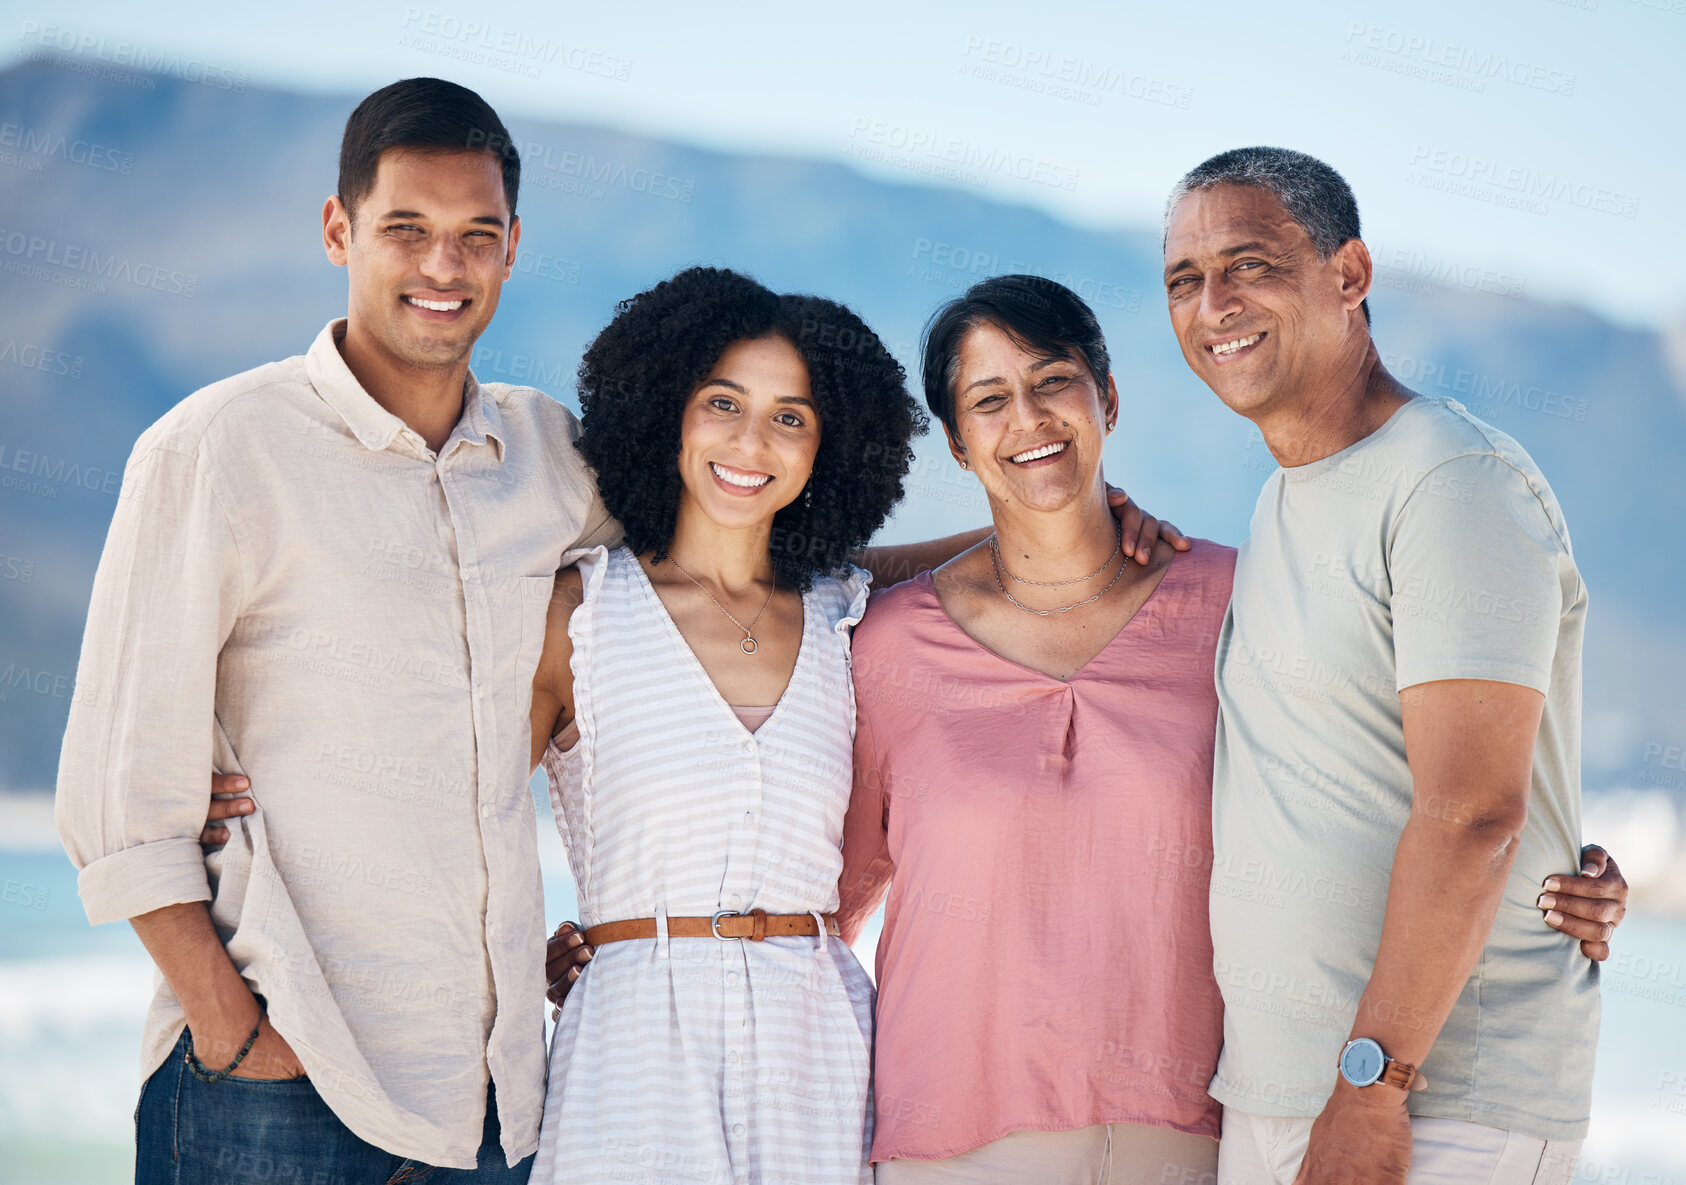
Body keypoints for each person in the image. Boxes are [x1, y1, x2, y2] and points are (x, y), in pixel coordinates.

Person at [1160, 147, 1615, 1184]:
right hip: (1289, 1096)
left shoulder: (1453, 481)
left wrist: (1373, 1088)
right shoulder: (1280, 502)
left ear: (1350, 274)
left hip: (1432, 1104)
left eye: (1251, 264)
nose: (1214, 303)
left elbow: (1475, 815)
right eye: (1185, 279)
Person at [527, 266, 919, 1183]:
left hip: (819, 1048)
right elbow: (469, 824)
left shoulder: (847, 616)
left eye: (791, 416)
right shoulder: (580, 610)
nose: (753, 441)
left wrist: (1103, 519)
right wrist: (526, 950)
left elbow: (987, 581)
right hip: (633, 1049)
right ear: (667, 407)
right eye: (723, 402)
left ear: (830, 446)